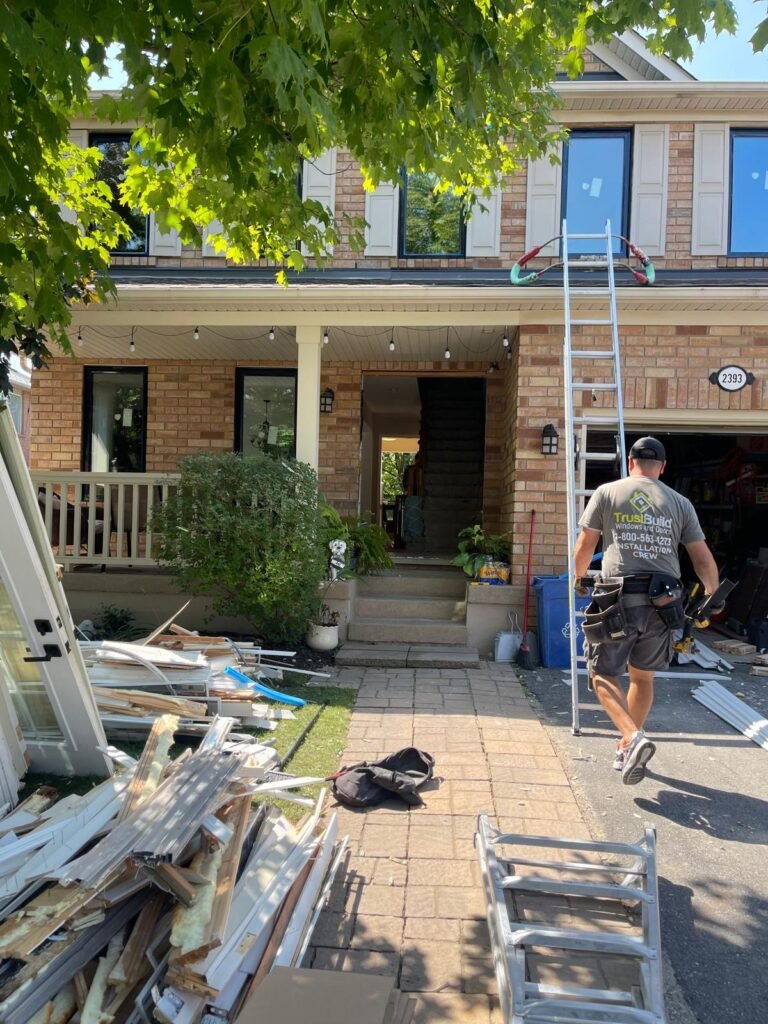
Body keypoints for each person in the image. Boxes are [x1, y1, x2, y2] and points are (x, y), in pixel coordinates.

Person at [573, 436, 720, 785]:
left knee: (603, 674)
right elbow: (701, 558)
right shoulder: (680, 502)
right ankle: (628, 745)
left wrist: (578, 578)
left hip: (618, 598)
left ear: (630, 463)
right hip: (664, 602)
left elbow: (586, 544)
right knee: (642, 676)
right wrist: (712, 597)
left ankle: (634, 738)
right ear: (663, 467)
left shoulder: (608, 492)